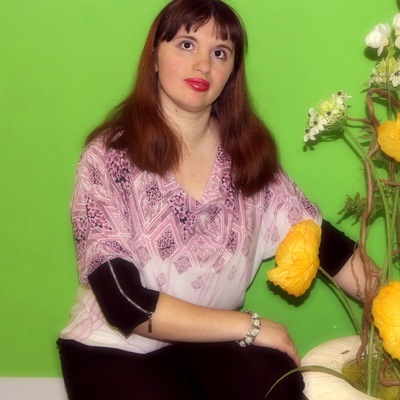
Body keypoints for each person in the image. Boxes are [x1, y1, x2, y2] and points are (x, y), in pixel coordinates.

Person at [57, 1, 374, 398]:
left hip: (208, 343)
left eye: (220, 52)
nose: (203, 65)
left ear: (232, 72)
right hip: (112, 348)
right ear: (154, 57)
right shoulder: (108, 158)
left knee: (279, 385)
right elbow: (125, 304)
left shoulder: (247, 157)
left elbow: (324, 245)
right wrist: (249, 326)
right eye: (186, 44)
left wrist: (387, 306)